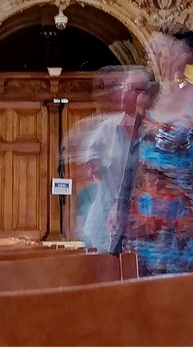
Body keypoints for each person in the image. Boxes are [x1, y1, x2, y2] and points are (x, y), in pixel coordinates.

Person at [123, 30, 193, 275]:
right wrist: (120, 207)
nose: (155, 57)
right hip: (145, 222)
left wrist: (182, 179)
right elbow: (132, 159)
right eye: (152, 51)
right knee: (146, 298)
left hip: (186, 221)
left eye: (162, 50)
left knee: (187, 294)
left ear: (183, 55)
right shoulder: (146, 102)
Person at [63, 65, 151, 253]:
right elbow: (86, 169)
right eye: (123, 87)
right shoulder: (105, 130)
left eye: (131, 88)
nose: (123, 93)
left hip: (144, 226)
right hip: (104, 226)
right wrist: (90, 168)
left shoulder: (155, 132)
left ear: (146, 95)